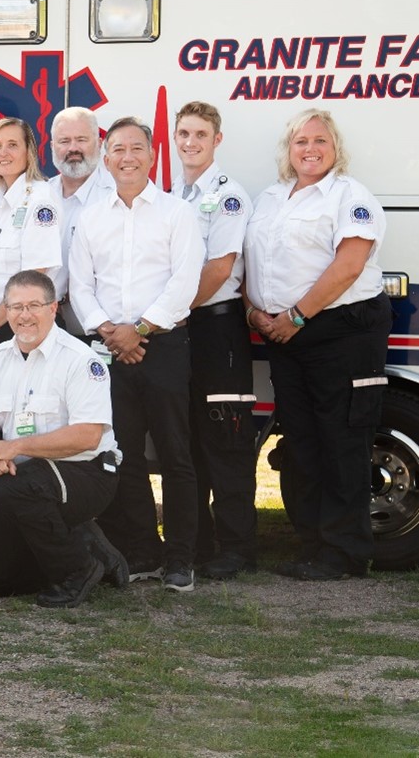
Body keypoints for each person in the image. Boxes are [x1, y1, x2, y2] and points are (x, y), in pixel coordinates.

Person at [244, 108, 390, 581]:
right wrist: (255, 311)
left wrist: (298, 316)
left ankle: (345, 553)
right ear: (288, 150)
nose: (310, 149)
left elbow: (349, 265)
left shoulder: (350, 196)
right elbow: (251, 264)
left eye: (319, 141)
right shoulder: (269, 198)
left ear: (335, 148)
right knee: (303, 443)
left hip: (341, 331)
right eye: (300, 141)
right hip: (285, 335)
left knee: (342, 439)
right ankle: (312, 546)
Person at [69, 117, 203, 592]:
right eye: (118, 149)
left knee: (175, 455)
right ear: (106, 158)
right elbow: (80, 286)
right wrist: (111, 332)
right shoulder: (91, 217)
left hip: (163, 345)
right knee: (121, 455)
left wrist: (139, 329)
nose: (127, 157)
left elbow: (184, 283)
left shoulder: (176, 213)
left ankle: (181, 559)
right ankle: (143, 551)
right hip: (109, 348)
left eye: (137, 149)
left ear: (152, 156)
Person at [0, 271, 127, 608]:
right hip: (24, 481)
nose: (24, 315)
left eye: (34, 306)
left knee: (11, 488)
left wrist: (14, 447)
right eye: (15, 307)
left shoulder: (80, 359)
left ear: (53, 308)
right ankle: (86, 546)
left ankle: (77, 570)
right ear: (5, 311)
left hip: (87, 472)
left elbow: (88, 435)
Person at [173, 102, 258, 579]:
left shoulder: (227, 196)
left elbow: (220, 267)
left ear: (217, 140)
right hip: (186, 329)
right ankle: (201, 543)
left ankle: (237, 548)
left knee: (225, 441)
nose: (191, 142)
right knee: (189, 443)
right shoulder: (176, 194)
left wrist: (170, 314)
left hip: (215, 326)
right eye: (184, 133)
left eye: (200, 134)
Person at [0, 118, 63, 359]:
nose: (3, 153)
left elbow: (35, 275)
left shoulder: (41, 199)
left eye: (12, 145)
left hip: (26, 324)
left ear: (28, 151)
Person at [46, 107, 114, 335]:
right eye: (64, 140)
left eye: (81, 139)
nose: (73, 148)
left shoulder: (115, 195)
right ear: (52, 146)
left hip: (104, 328)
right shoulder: (39, 196)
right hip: (46, 325)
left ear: (99, 142)